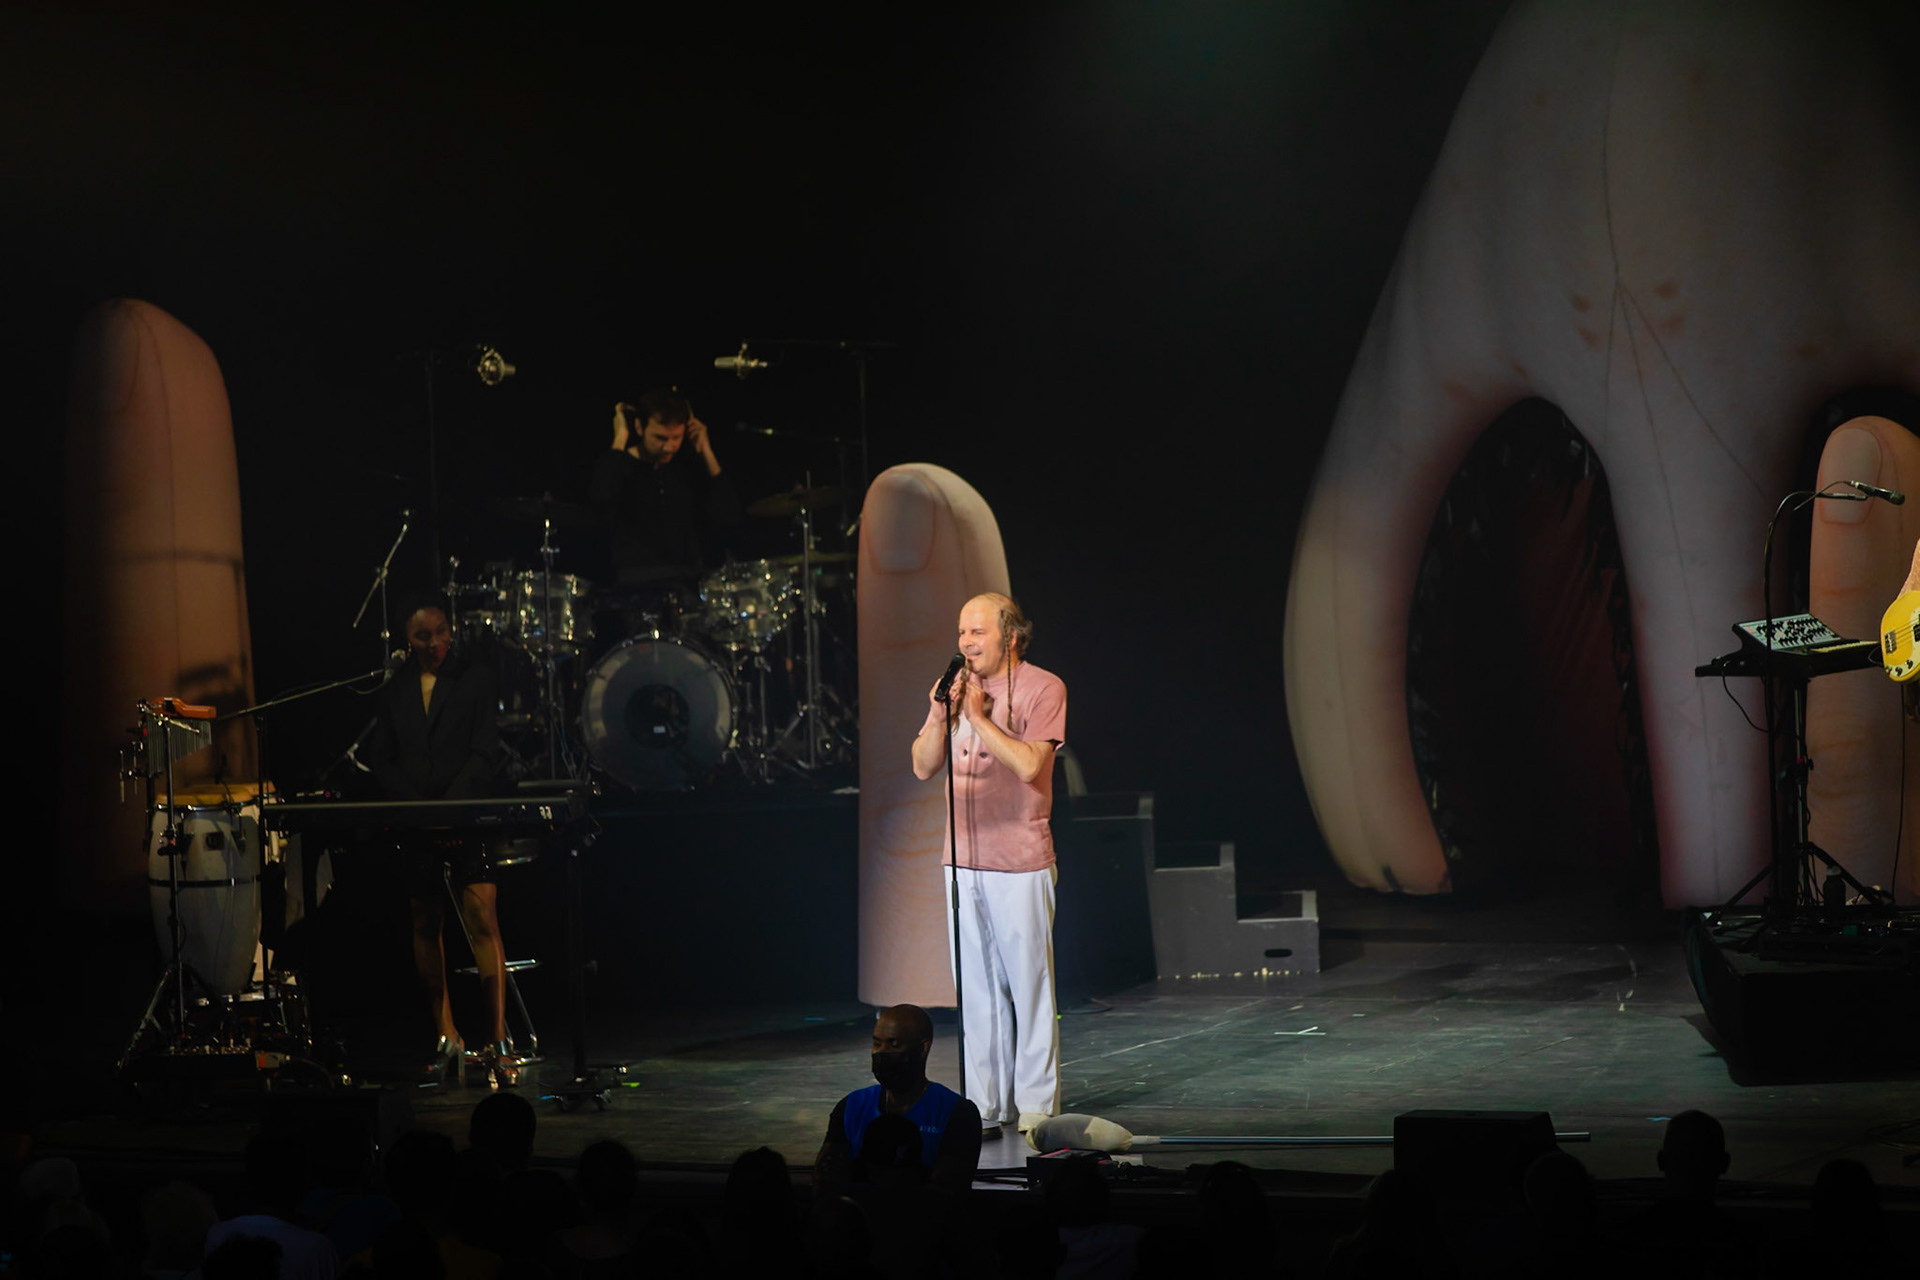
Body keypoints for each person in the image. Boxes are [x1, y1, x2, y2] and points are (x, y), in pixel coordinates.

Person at [910, 593, 1067, 1140]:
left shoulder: (1044, 688)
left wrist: (977, 718)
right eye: (961, 633)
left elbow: (1029, 765)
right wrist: (940, 713)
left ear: (1011, 638)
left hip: (1020, 861)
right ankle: (983, 1104)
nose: (966, 644)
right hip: (962, 862)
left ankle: (1036, 1106)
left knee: (1029, 986)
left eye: (977, 633)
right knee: (976, 991)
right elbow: (923, 766)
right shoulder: (954, 690)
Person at [364, 598, 514, 1086]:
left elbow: (484, 750)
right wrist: (418, 809)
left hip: (466, 817)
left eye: (442, 633)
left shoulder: (474, 678)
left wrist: (450, 808)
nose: (436, 644)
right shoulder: (394, 690)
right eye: (424, 637)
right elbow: (381, 758)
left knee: (481, 919)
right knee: (426, 921)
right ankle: (447, 1035)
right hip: (418, 823)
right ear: (407, 643)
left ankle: (497, 1040)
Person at [815, 1004, 983, 1194]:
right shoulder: (851, 1107)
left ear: (923, 1048)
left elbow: (948, 1193)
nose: (881, 1053)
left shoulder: (958, 1113)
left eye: (894, 1044)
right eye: (877, 1044)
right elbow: (824, 1180)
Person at [586, 388, 739, 584]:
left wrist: (706, 450)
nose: (669, 447)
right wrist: (621, 436)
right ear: (639, 427)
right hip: (637, 580)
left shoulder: (686, 466)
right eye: (660, 438)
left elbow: (729, 515)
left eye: (677, 438)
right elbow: (601, 499)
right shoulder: (620, 465)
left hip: (689, 578)